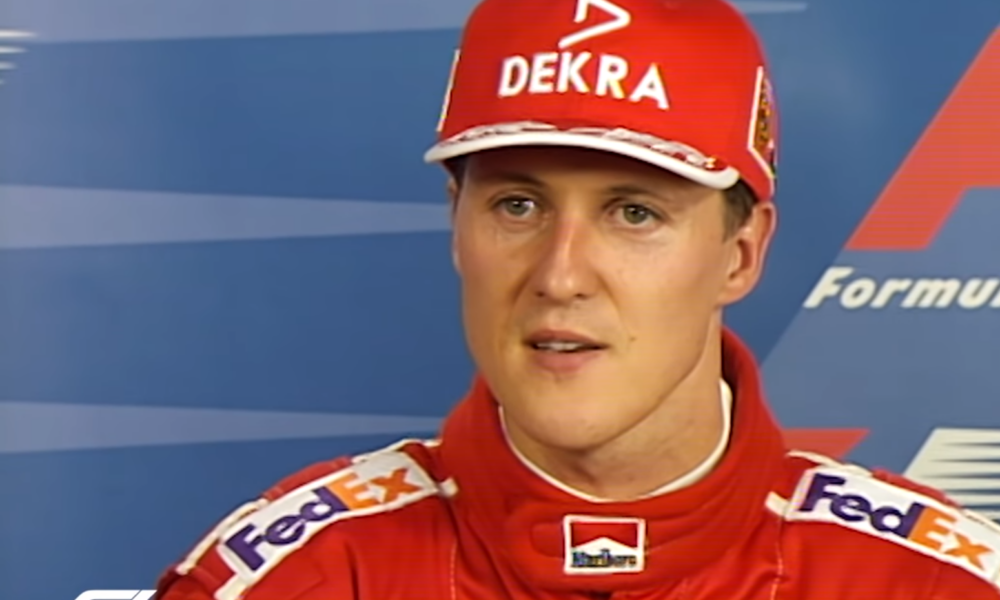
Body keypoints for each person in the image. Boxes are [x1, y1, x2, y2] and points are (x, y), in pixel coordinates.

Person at [155, 0, 1000, 597]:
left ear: (740, 256)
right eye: (517, 206)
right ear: (457, 228)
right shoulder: (299, 577)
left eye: (634, 214)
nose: (560, 275)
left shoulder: (928, 583)